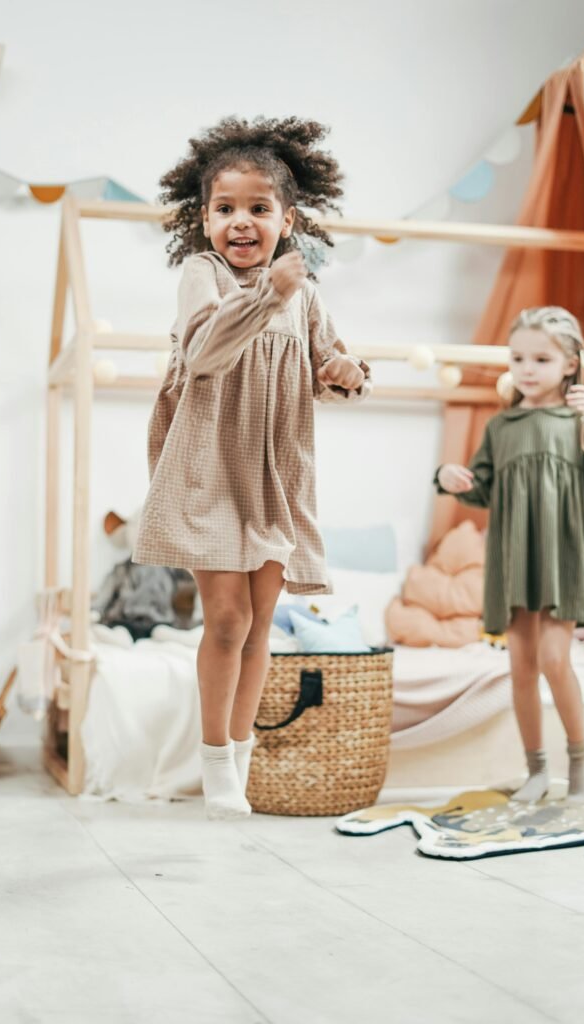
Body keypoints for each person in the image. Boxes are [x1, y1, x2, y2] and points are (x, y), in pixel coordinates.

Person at [133, 116, 371, 819]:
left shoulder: (304, 292)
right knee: (228, 620)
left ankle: (240, 756)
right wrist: (269, 293)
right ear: (203, 220)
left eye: (258, 209)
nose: (242, 222)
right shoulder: (201, 275)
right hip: (209, 469)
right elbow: (206, 352)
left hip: (274, 474)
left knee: (263, 622)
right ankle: (212, 763)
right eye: (226, 209)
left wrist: (345, 370)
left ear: (287, 219)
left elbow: (329, 367)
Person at [436, 306, 584, 803]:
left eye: (541, 359)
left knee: (556, 657)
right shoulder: (501, 426)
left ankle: (580, 765)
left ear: (570, 363)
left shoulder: (582, 421)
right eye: (518, 359)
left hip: (565, 554)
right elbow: (480, 488)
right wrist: (451, 478)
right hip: (514, 555)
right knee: (521, 665)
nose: (527, 369)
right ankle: (536, 771)